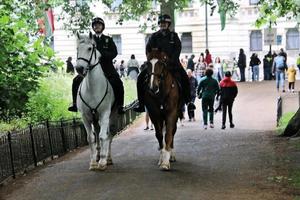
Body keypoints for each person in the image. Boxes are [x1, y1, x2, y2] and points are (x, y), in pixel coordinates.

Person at [134, 14, 195, 112]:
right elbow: (148, 50)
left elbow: (178, 49)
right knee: (140, 78)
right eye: (161, 23)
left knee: (185, 78)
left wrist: (172, 60)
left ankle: (189, 102)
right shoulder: (154, 36)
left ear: (168, 24)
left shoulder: (173, 36)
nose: (163, 25)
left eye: (165, 23)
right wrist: (151, 60)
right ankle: (141, 104)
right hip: (156, 65)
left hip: (172, 64)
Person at [68, 17, 125, 114]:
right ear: (93, 28)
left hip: (106, 68)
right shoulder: (89, 39)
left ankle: (120, 106)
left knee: (118, 82)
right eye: (95, 25)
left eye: (99, 25)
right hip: (91, 68)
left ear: (102, 27)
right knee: (76, 81)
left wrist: (102, 54)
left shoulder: (108, 39)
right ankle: (75, 104)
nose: (97, 26)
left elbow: (114, 53)